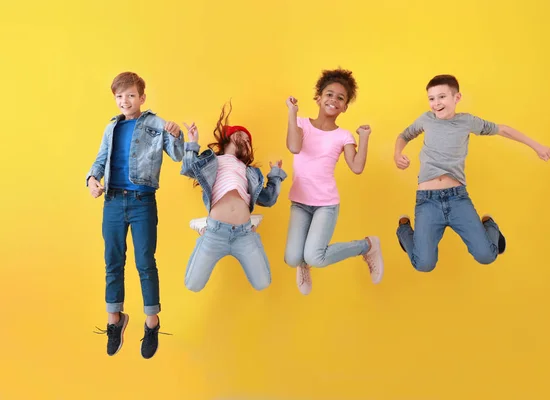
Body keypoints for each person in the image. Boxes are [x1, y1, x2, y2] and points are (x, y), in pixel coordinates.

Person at [394, 74, 550, 272]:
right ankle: (404, 230)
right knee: (424, 264)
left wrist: (536, 146)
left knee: (486, 255)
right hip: (427, 200)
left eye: (442, 97)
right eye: (431, 98)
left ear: (457, 98)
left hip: (457, 198)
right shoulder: (426, 119)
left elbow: (502, 130)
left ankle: (489, 225)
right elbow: (404, 135)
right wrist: (397, 153)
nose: (436, 103)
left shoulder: (467, 122)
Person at [88, 72, 184, 358]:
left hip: (142, 201)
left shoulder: (156, 124)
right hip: (113, 201)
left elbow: (178, 156)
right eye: (119, 96)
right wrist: (92, 179)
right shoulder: (111, 128)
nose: (124, 101)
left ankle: (152, 323)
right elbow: (100, 159)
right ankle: (114, 320)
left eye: (130, 95)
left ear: (142, 97)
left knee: (145, 262)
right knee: (112, 262)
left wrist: (178, 136)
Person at [284, 68, 384, 295]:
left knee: (315, 256)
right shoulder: (300, 123)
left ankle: (367, 246)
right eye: (329, 94)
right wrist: (291, 112)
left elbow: (357, 167)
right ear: (318, 98)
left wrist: (364, 138)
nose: (334, 100)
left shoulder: (344, 136)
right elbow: (294, 147)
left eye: (341, 98)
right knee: (292, 258)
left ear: (345, 106)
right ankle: (303, 264)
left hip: (326, 204)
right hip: (300, 201)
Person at [180, 103, 287, 292]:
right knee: (192, 285)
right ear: (230, 137)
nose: (246, 142)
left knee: (263, 283)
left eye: (248, 142)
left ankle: (250, 221)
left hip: (244, 234)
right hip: (215, 232)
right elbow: (188, 169)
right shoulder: (211, 161)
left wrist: (275, 175)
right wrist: (192, 142)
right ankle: (203, 226)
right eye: (242, 137)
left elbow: (268, 199)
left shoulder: (250, 172)